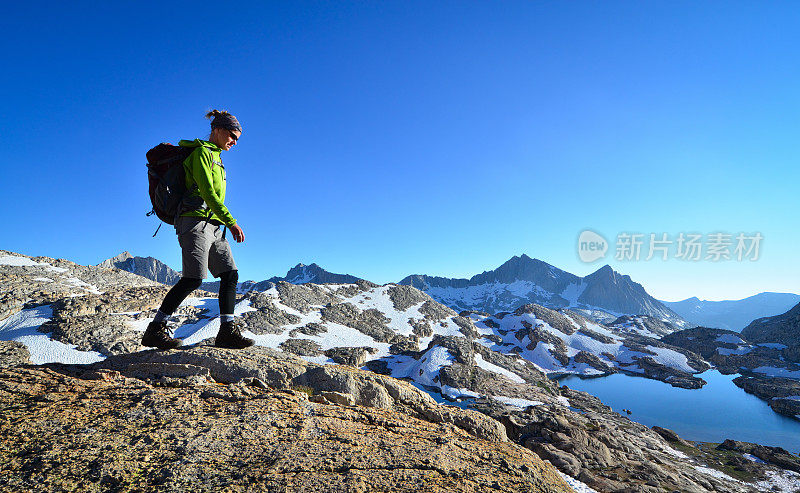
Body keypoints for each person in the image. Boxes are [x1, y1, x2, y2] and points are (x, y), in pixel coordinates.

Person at [142, 109, 254, 350]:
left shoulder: (217, 158)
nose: (234, 141)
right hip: (193, 221)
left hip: (213, 225)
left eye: (237, 138)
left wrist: (222, 221)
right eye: (232, 135)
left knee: (230, 274)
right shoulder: (202, 154)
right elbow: (207, 192)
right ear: (217, 130)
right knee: (193, 279)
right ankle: (155, 329)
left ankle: (227, 332)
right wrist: (231, 221)